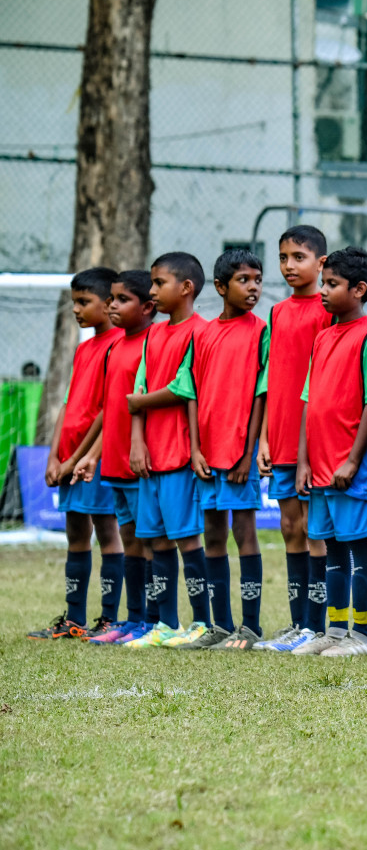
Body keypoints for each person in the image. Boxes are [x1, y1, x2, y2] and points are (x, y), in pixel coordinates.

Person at [292, 247, 367, 658]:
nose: (324, 291)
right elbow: (310, 401)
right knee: (330, 546)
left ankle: (362, 636)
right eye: (325, 283)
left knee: (358, 544)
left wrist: (352, 459)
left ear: (359, 289)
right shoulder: (323, 336)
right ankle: (334, 630)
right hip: (320, 468)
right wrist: (303, 460)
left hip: (353, 468)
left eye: (332, 284)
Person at [28, 267, 124, 641]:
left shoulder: (118, 345)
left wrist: (77, 458)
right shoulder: (85, 348)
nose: (76, 310)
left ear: (108, 303)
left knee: (107, 530)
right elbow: (70, 405)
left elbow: (108, 410)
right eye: (74, 303)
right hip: (70, 457)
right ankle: (74, 619)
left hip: (95, 459)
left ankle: (110, 620)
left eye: (84, 302)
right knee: (75, 533)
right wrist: (54, 456)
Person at [182, 248, 269, 650]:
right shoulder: (200, 333)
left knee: (244, 532)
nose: (253, 287)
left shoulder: (260, 331)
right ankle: (220, 625)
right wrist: (195, 450)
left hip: (239, 455)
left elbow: (260, 395)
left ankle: (249, 628)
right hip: (206, 456)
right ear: (220, 287)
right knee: (212, 535)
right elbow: (191, 393)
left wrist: (248, 452)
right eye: (243, 280)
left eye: (257, 279)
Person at [123, 253, 210, 648]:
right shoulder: (154, 335)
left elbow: (182, 388)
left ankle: (203, 623)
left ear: (186, 288)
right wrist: (137, 441)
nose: (152, 290)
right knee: (156, 541)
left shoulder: (199, 333)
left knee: (187, 539)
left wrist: (139, 403)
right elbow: (136, 393)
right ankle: (167, 625)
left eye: (159, 283)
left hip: (178, 455)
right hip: (151, 457)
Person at [254, 225, 334, 653]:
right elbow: (271, 378)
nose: (288, 266)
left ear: (321, 263)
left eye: (298, 257)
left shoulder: (327, 310)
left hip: (311, 443)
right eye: (283, 257)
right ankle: (297, 622)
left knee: (313, 529)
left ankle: (317, 627)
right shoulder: (278, 312)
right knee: (289, 527)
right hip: (280, 439)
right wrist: (265, 438)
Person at [82, 271, 158, 644]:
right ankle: (134, 618)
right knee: (129, 539)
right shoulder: (114, 347)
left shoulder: (151, 345)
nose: (112, 305)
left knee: (149, 540)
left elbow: (143, 405)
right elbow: (109, 409)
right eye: (110, 298)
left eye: (121, 299)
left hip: (139, 463)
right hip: (112, 463)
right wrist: (92, 455)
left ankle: (155, 620)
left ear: (147, 307)